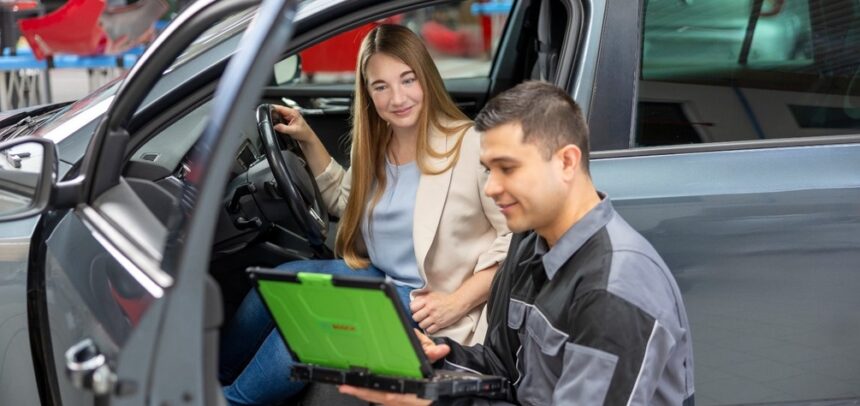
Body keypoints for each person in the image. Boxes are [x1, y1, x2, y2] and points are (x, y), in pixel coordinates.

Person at [340, 81, 695, 405]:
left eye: (506, 169)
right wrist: (435, 358)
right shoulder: (529, 245)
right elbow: (502, 371)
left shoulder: (615, 288)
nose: (491, 187)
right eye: (487, 170)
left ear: (567, 162)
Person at [218, 24, 511, 405]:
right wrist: (306, 136)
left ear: (426, 78)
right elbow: (346, 200)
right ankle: (215, 374)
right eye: (381, 86)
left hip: (431, 299)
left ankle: (230, 399)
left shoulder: (470, 146)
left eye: (408, 80)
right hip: (383, 278)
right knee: (276, 285)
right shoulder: (377, 144)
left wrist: (458, 300)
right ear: (368, 94)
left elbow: (516, 240)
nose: (398, 98)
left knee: (307, 323)